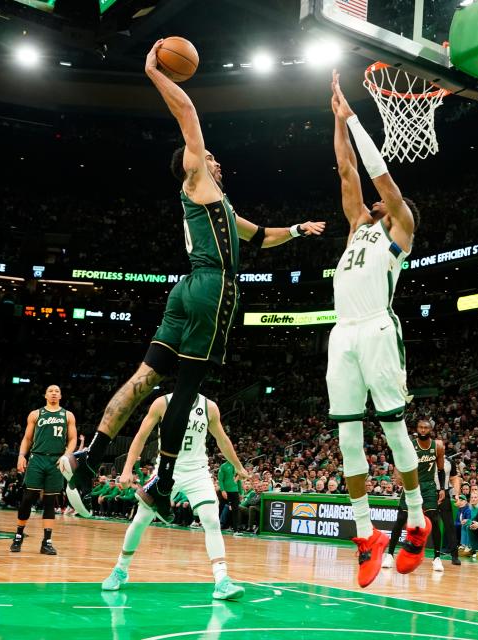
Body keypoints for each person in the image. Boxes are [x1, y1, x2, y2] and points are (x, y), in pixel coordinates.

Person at [60, 39, 325, 522]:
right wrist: (155, 72)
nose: (216, 161)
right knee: (186, 390)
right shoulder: (198, 179)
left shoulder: (218, 206)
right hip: (212, 287)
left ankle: (89, 458)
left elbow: (260, 236)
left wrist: (298, 230)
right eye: (209, 158)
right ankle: (161, 484)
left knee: (144, 379)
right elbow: (189, 113)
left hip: (185, 291)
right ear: (193, 164)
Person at [327, 70, 428, 588]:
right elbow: (347, 171)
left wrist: (357, 119)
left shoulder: (400, 231)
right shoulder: (356, 230)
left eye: (378, 201)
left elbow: (377, 173)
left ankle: (415, 517)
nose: (370, 200)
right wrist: (336, 121)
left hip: (376, 331)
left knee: (392, 429)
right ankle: (367, 535)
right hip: (341, 333)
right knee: (347, 437)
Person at [101, 392, 247, 601]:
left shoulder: (209, 407)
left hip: (197, 471)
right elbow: (141, 436)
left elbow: (222, 439)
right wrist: (126, 469)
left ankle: (222, 580)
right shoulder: (163, 402)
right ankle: (120, 570)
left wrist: (238, 466)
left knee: (211, 519)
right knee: (141, 519)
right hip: (166, 471)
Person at [384, 420, 461, 572]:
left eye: (426, 427)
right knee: (401, 519)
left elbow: (440, 470)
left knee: (434, 519)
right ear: (417, 429)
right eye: (421, 427)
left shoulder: (437, 446)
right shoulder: (410, 445)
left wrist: (441, 489)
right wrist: (399, 476)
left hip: (428, 486)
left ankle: (437, 558)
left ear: (430, 429)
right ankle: (390, 555)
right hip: (411, 485)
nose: (423, 430)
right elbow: (400, 462)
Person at [11, 385, 77, 555]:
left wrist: (66, 456)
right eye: (50, 391)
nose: (54, 393)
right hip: (37, 457)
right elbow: (27, 438)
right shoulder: (36, 414)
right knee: (28, 497)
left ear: (61, 396)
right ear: (45, 395)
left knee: (50, 501)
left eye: (57, 391)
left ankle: (46, 542)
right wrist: (21, 455)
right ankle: (18, 536)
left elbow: (72, 439)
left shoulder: (68, 415)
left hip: (56, 460)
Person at [218, 455, 243, 533]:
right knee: (219, 509)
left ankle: (236, 530)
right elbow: (220, 479)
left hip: (234, 491)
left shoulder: (238, 467)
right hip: (225, 491)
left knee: (236, 510)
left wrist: (240, 492)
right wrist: (222, 490)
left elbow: (239, 480)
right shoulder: (223, 466)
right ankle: (214, 527)